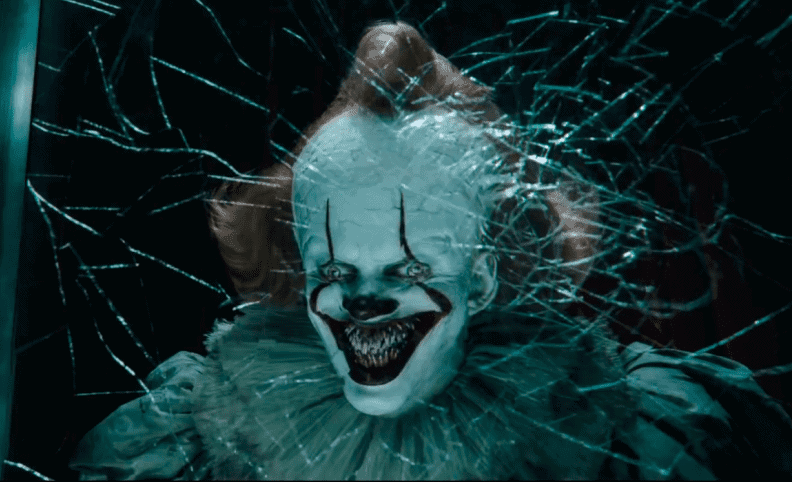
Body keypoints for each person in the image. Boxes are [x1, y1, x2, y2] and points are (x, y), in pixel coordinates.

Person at [69, 21, 792, 480]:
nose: (362, 302)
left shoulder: (640, 435)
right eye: (334, 269)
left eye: (408, 269)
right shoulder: (194, 438)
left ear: (482, 279)